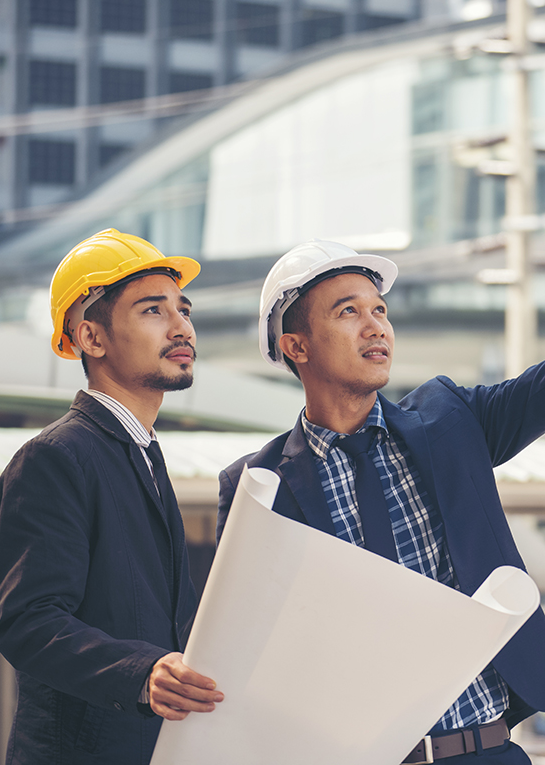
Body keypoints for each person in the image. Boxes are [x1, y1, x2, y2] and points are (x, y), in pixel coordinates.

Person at [218, 239, 545, 765]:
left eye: (380, 311)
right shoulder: (258, 486)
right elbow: (245, 644)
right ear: (296, 346)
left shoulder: (448, 419)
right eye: (349, 312)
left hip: (484, 748)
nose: (376, 327)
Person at [0, 228, 224, 765]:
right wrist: (143, 673)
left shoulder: (142, 455)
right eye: (152, 310)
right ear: (92, 339)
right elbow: (29, 620)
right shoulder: (55, 458)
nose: (181, 325)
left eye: (182, 309)